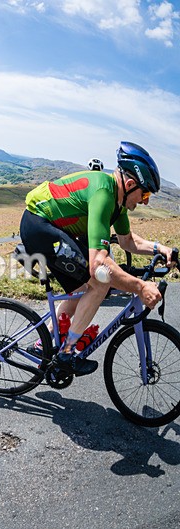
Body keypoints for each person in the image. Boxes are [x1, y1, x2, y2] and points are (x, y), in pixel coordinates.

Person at [19, 141, 175, 376]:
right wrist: (141, 286)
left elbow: (128, 241)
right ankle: (66, 354)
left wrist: (160, 249)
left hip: (55, 229)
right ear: (130, 184)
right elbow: (98, 264)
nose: (145, 201)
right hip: (39, 226)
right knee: (99, 282)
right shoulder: (104, 194)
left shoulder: (118, 203)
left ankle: (45, 344)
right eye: (144, 193)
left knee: (83, 286)